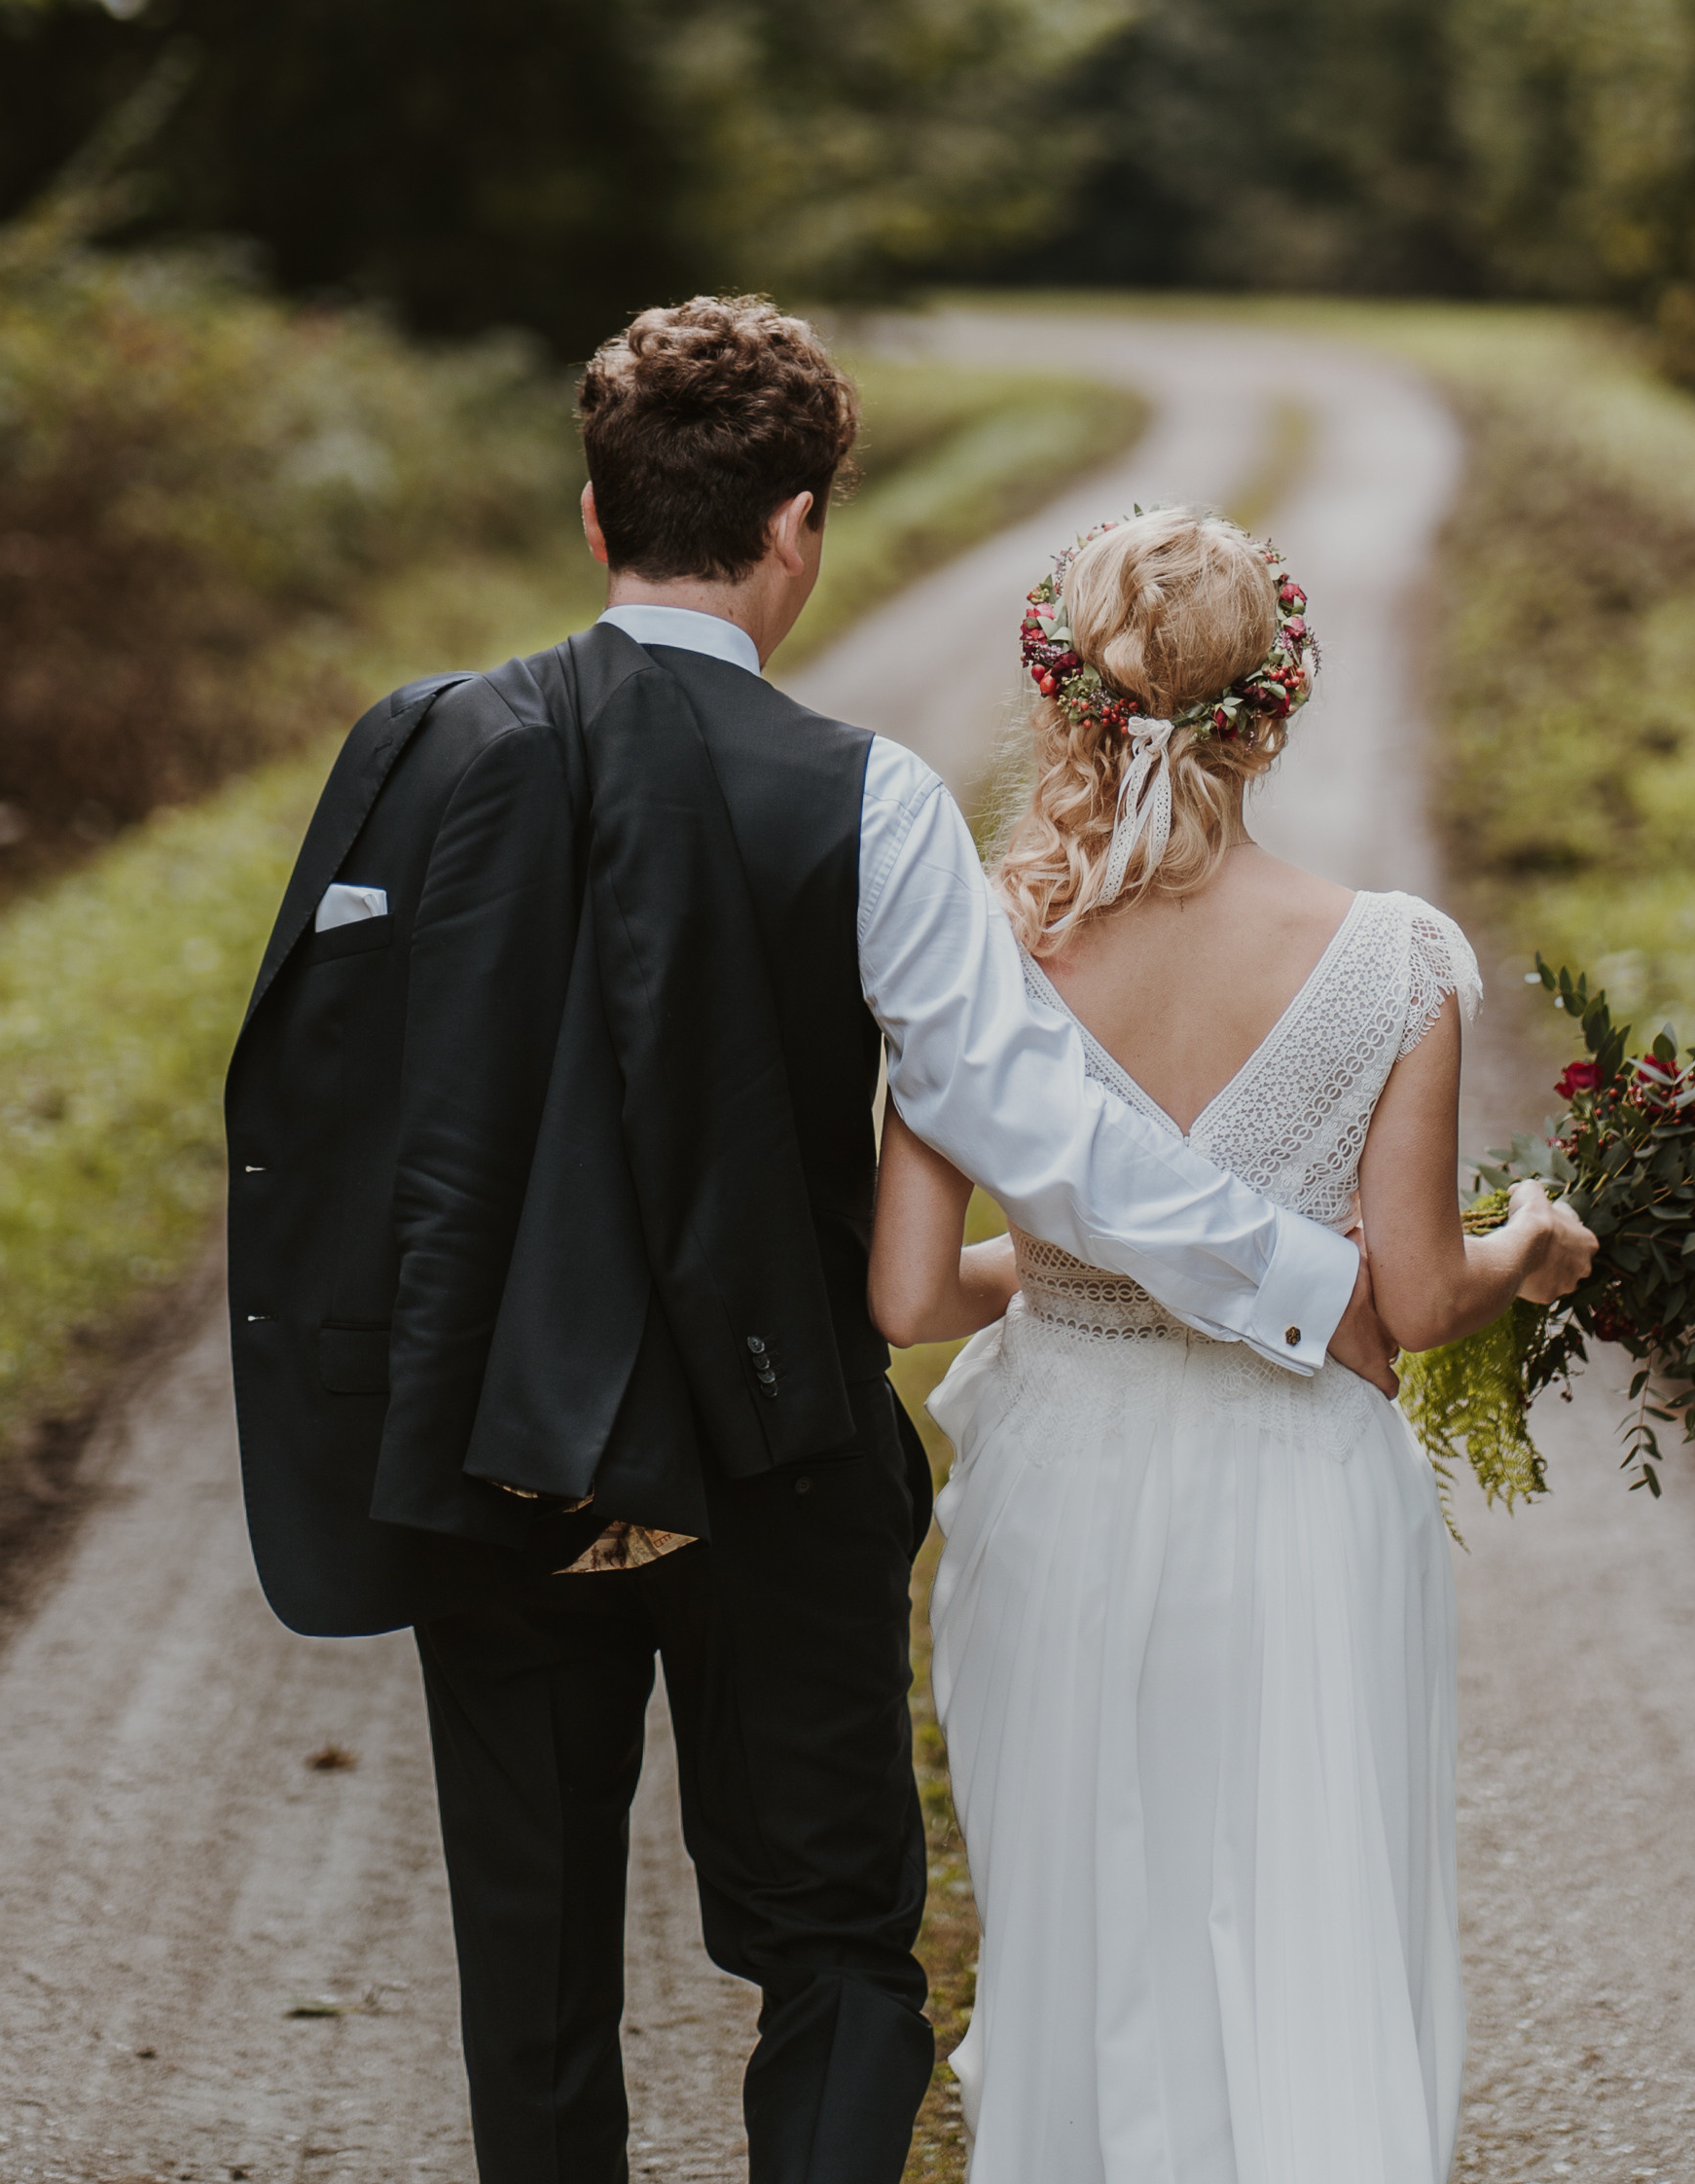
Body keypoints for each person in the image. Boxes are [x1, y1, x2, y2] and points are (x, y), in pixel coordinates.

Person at [225, 300, 1397, 2184]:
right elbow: (1041, 1128)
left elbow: (321, 1112)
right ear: (796, 532)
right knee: (838, 1955)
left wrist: (375, 1394)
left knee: (528, 1990)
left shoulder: (412, 751)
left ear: (596, 524)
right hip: (767, 1464)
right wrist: (1304, 1284)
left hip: (484, 1461)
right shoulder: (857, 798)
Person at [870, 504, 1596, 2184]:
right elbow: (1412, 1306)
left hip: (1060, 1474)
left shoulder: (978, 947)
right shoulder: (1393, 961)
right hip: (1299, 1487)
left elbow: (907, 1296)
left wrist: (1071, 1279)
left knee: (1082, 1935)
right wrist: (1536, 1244)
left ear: (1067, 701)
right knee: (1311, 1916)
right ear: (1274, 709)